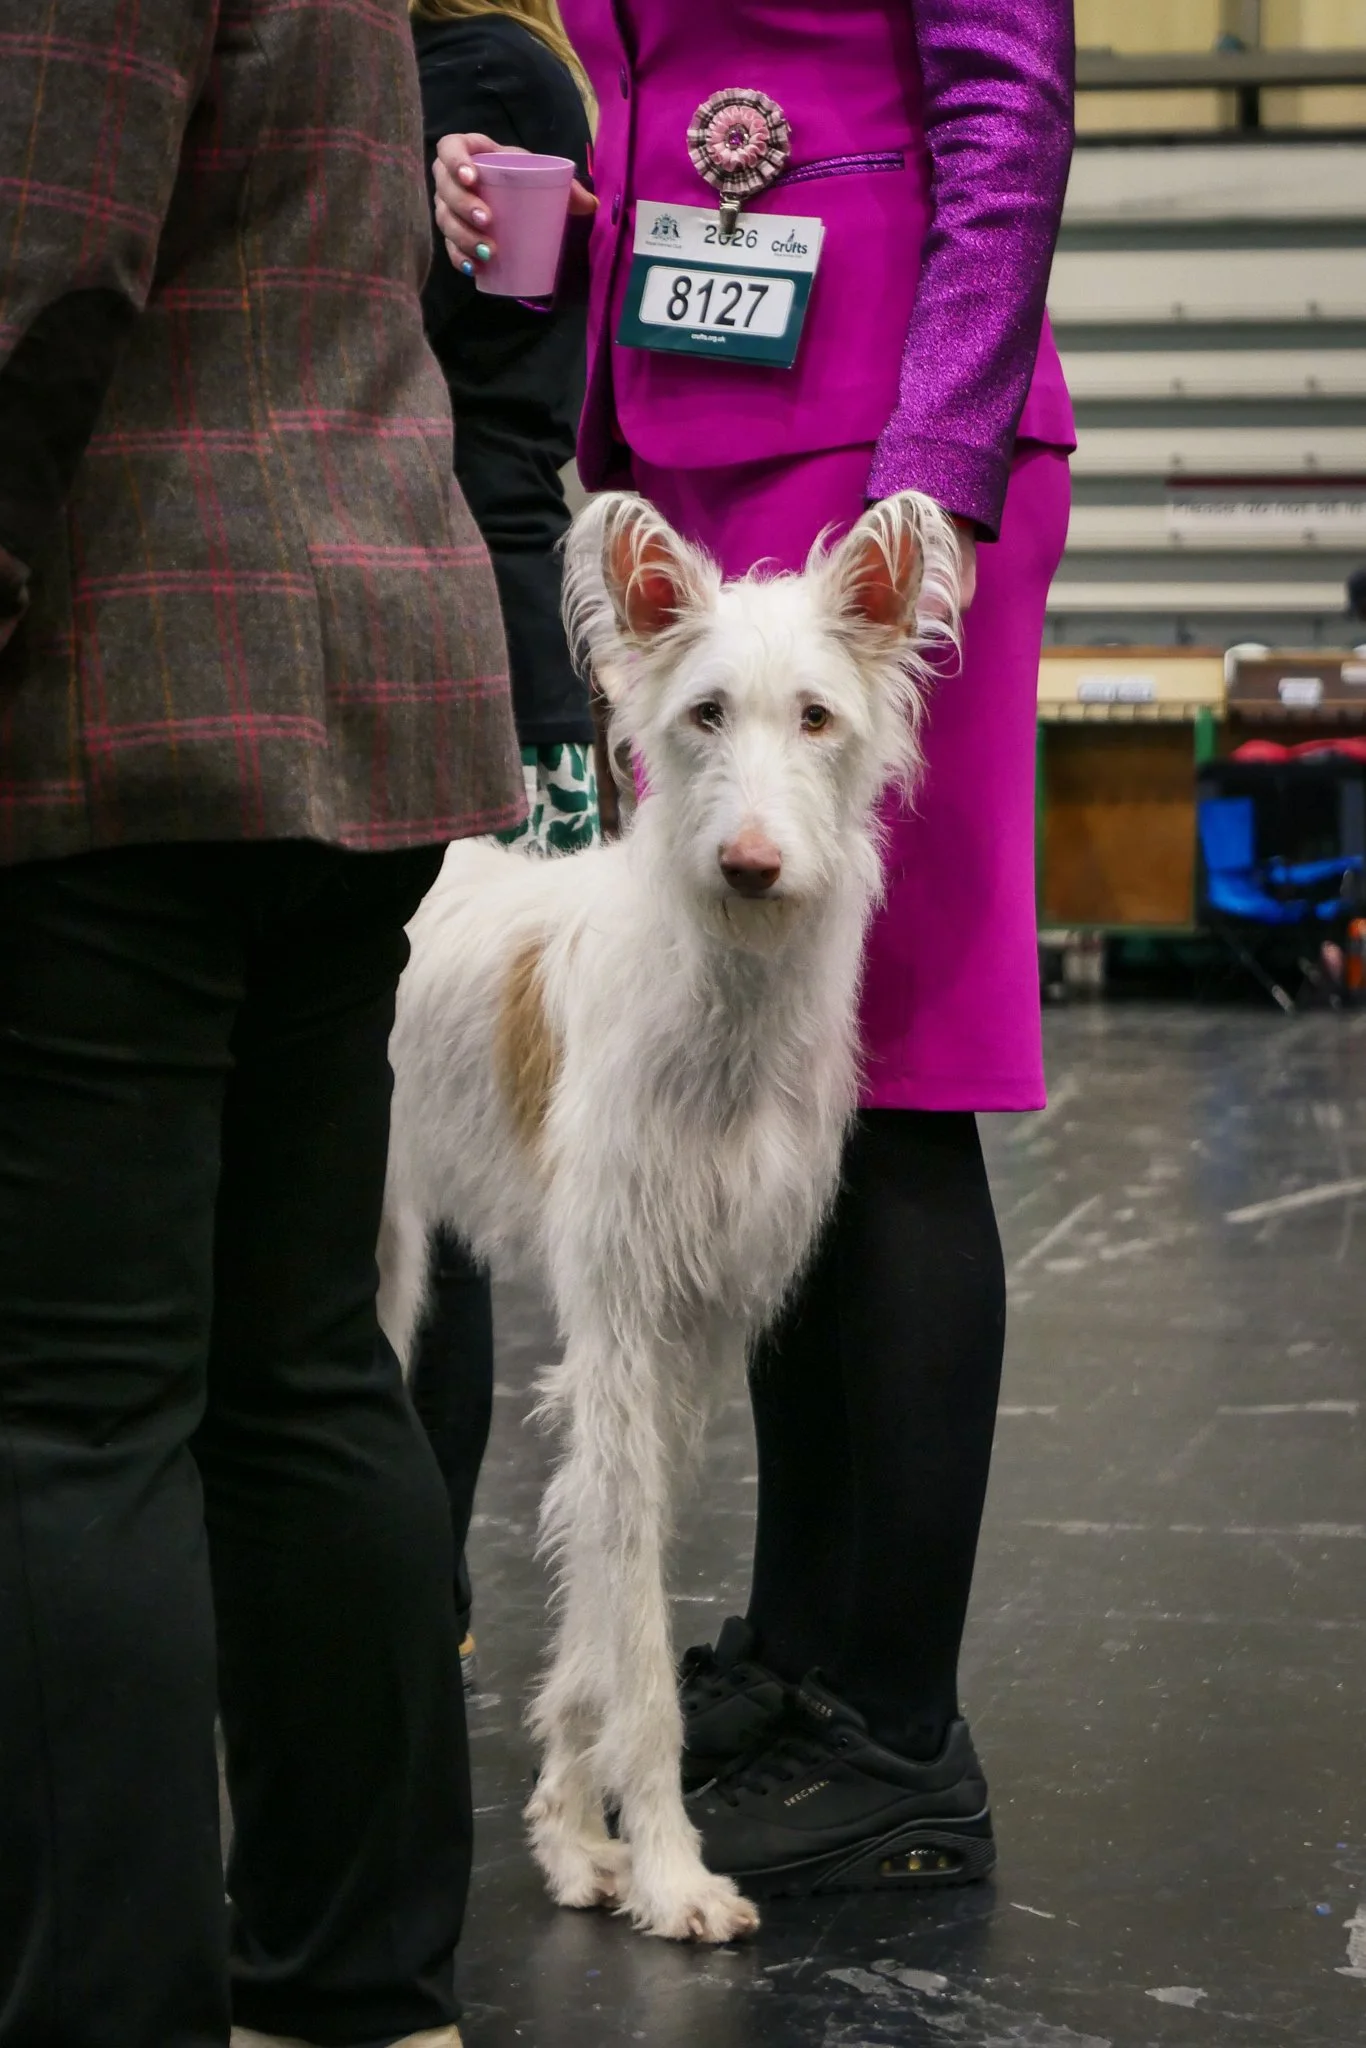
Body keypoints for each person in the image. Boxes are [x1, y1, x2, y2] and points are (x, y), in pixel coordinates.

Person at [432, 0, 1076, 1893]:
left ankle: (897, 1726)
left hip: (895, 462)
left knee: (902, 1084)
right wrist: (557, 222)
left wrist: (931, 474)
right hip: (703, 432)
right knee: (751, 1115)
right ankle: (797, 1657)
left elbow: (1005, 103)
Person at [0, 3, 523, 2044]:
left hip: (133, 681)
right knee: (293, 1363)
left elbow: (38, 267)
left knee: (72, 1411)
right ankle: (352, 1984)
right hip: (347, 650)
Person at [406, 0, 598, 1688]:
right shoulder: (495, 67)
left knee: (433, 1158)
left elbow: (454, 382)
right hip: (477, 633)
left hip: (469, 643)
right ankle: (407, 1590)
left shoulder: (482, 75)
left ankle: (412, 1589)